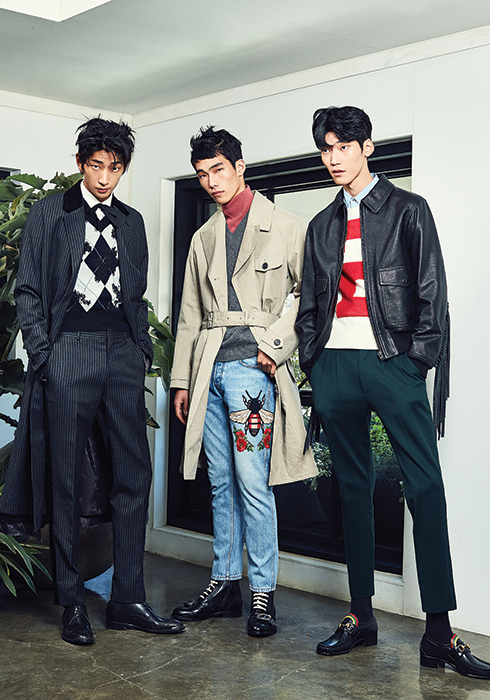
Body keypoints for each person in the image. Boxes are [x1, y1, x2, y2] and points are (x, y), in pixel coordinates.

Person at [295, 106, 490, 678]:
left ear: (368, 148)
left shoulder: (408, 209)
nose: (333, 158)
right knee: (352, 489)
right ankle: (361, 615)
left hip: (391, 362)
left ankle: (439, 633)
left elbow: (433, 292)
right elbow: (310, 305)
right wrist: (314, 361)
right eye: (326, 148)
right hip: (335, 365)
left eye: (343, 147)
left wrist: (415, 362)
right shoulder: (321, 224)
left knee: (425, 487)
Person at [0, 118, 184, 645]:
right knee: (64, 478)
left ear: (124, 169)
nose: (105, 177)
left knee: (133, 473)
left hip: (122, 354)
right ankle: (73, 602)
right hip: (69, 350)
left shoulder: (131, 221)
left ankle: (128, 598)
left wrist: (140, 349)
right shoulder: (50, 212)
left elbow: (135, 292)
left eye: (115, 168)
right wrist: (45, 354)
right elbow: (28, 289)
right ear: (81, 163)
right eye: (97, 166)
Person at [170, 126, 317, 637]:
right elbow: (190, 314)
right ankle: (225, 583)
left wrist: (273, 348)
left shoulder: (286, 226)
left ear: (240, 167)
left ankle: (262, 592)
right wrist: (182, 379)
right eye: (202, 174)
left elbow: (308, 295)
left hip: (253, 370)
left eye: (218, 169)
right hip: (208, 369)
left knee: (254, 483)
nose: (211, 181)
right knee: (220, 482)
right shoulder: (203, 238)